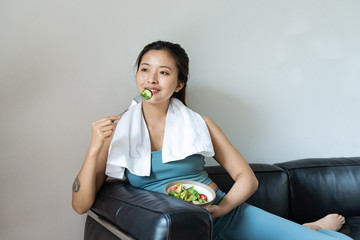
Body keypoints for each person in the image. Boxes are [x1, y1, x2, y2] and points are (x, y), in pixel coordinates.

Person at [72, 40, 352, 240]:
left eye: (164, 72)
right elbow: (80, 205)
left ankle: (311, 229)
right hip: (177, 226)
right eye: (145, 69)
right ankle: (307, 226)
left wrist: (221, 209)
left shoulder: (200, 124)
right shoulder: (117, 131)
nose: (151, 79)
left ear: (179, 84)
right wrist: (95, 146)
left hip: (220, 211)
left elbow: (247, 178)